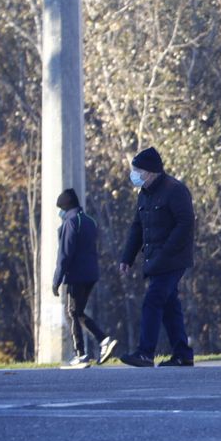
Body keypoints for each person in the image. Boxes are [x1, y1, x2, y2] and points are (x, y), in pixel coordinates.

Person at [116, 146, 196, 368]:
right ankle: (182, 354)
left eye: (137, 170)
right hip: (155, 259)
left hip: (173, 258)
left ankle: (145, 353)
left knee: (153, 300)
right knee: (170, 306)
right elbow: (137, 227)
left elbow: (186, 222)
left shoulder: (175, 190)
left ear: (150, 172)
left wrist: (168, 251)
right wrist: (127, 257)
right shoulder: (144, 194)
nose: (134, 174)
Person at [52, 188, 119, 368]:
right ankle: (103, 340)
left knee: (73, 312)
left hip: (76, 274)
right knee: (78, 311)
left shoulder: (71, 223)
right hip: (91, 273)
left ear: (65, 207)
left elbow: (64, 254)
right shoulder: (90, 221)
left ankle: (81, 354)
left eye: (61, 209)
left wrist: (56, 280)